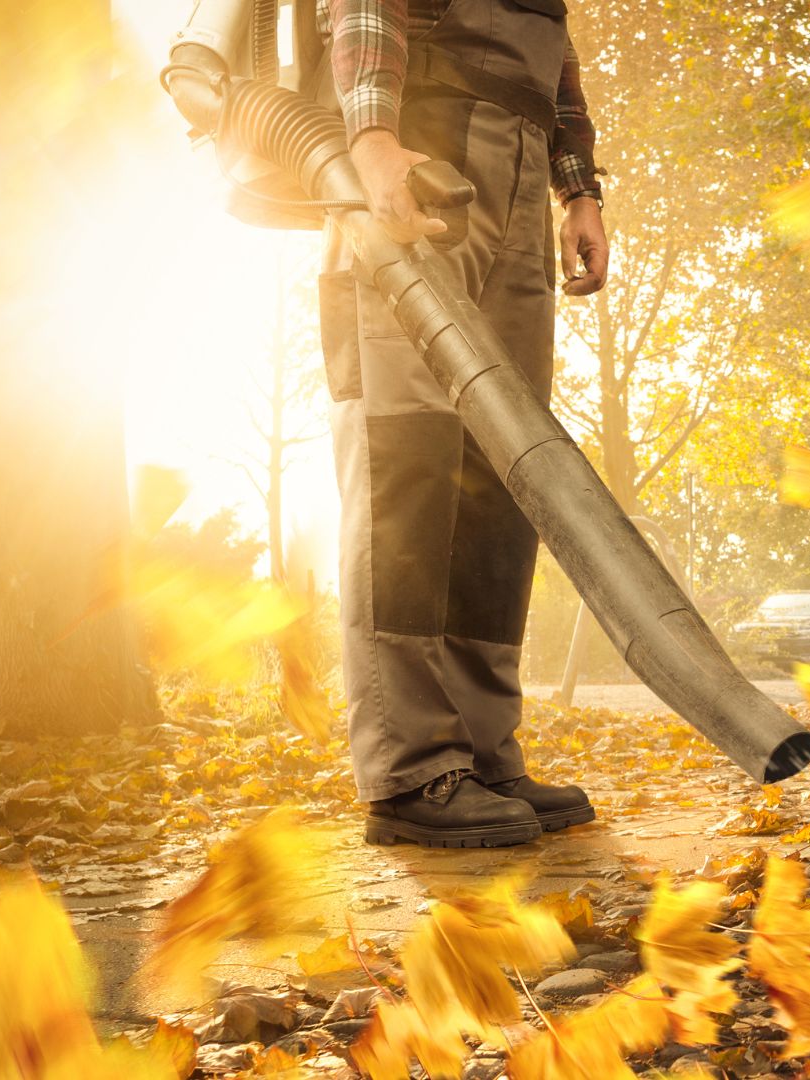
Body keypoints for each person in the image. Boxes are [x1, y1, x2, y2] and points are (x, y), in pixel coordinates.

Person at [315, 0, 609, 847]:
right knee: (407, 456)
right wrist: (370, 137)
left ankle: (482, 749)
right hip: (419, 148)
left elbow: (555, 57)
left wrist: (577, 187)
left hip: (516, 164)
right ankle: (410, 769)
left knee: (501, 477)